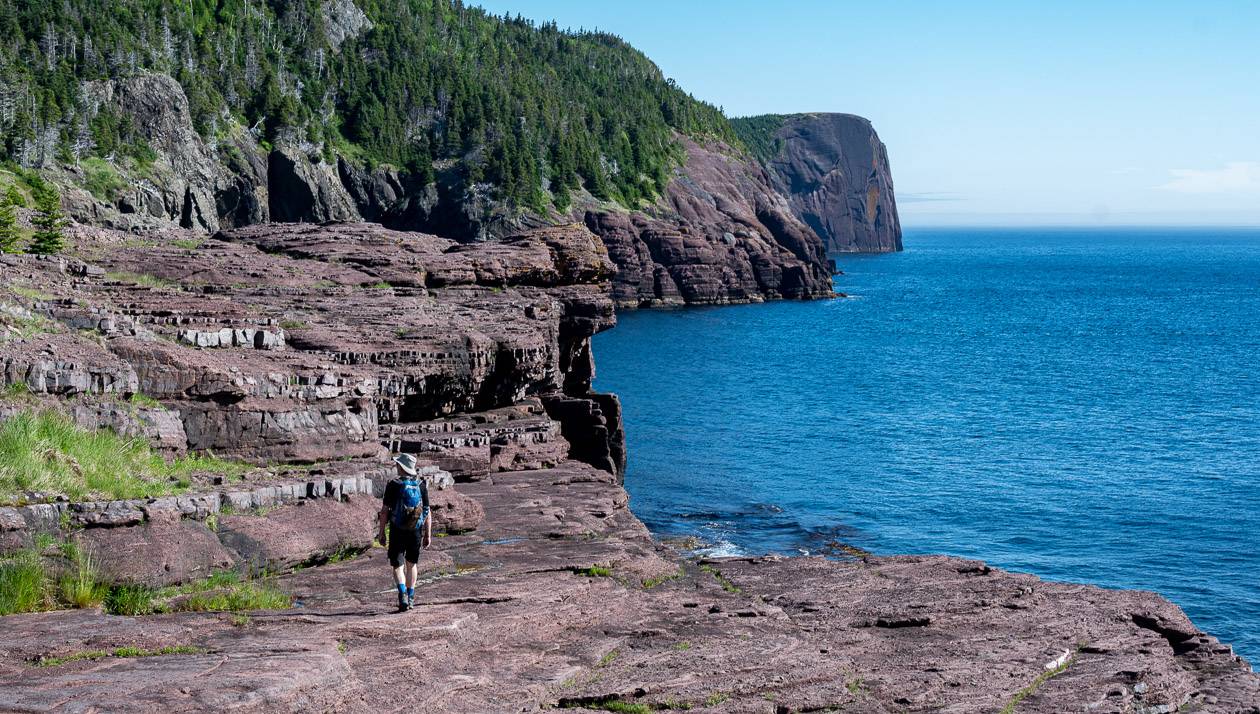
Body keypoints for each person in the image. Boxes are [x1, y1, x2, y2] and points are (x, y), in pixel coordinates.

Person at [379, 453, 432, 612]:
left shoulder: (393, 484)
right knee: (412, 565)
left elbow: (384, 511)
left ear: (401, 467)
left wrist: (382, 533)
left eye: (398, 464)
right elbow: (427, 511)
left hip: (397, 529)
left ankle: (402, 594)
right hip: (415, 530)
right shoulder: (421, 484)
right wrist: (428, 534)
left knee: (397, 565)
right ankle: (410, 597)